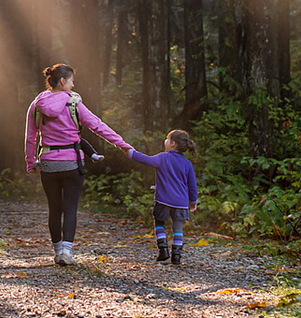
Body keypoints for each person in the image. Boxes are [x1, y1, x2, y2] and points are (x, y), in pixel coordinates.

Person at [25, 63, 132, 266]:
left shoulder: (37, 104)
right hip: (72, 163)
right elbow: (98, 126)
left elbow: (31, 137)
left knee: (54, 209)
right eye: (71, 81)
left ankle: (58, 252)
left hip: (48, 163)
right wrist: (122, 145)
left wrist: (31, 162)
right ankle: (67, 252)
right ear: (62, 81)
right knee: (70, 208)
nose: (73, 85)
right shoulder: (74, 103)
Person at [127, 130, 198, 265]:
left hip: (163, 200)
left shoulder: (163, 157)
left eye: (167, 139)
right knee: (178, 227)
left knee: (159, 223)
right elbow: (192, 185)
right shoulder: (187, 164)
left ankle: (163, 250)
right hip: (181, 202)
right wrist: (193, 202)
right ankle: (176, 256)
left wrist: (131, 153)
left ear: (172, 143)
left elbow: (146, 159)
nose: (165, 141)